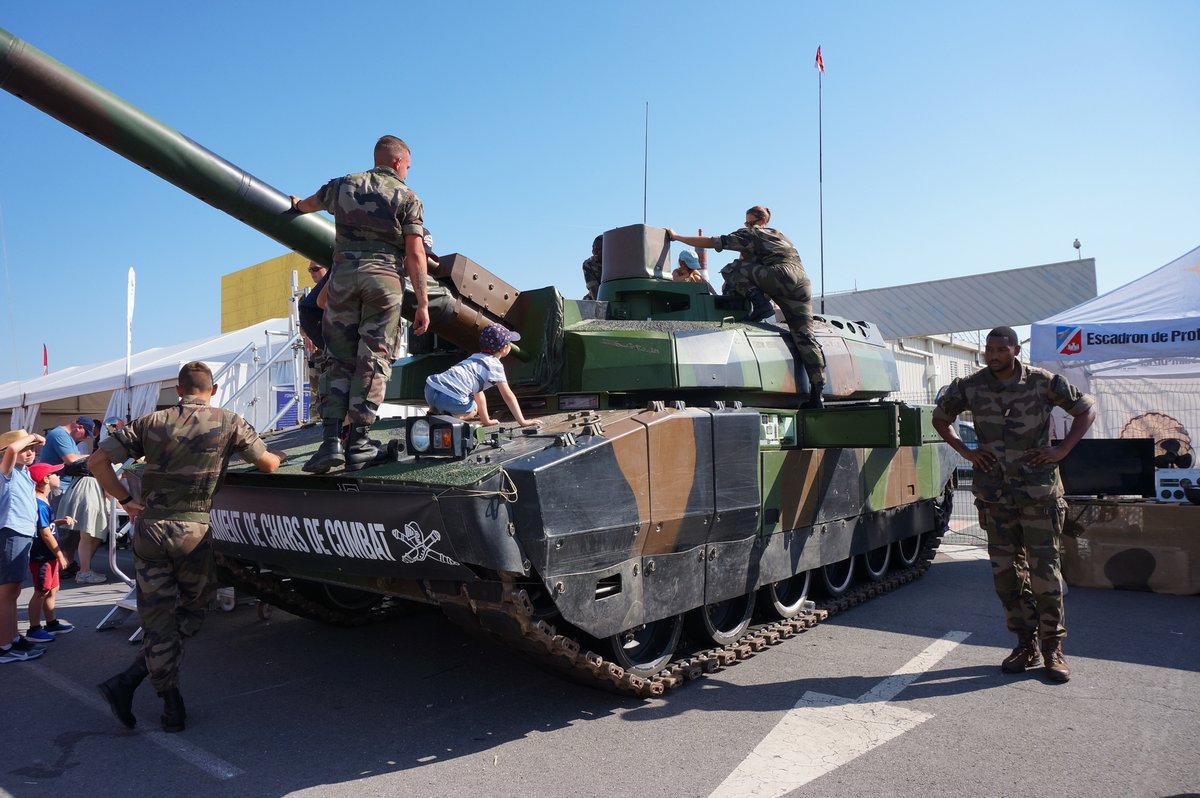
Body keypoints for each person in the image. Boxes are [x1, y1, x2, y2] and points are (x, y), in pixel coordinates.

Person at [92, 361, 287, 732]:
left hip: (148, 529)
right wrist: (280, 457)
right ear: (211, 390)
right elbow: (268, 465)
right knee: (194, 610)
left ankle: (164, 700)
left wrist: (125, 501)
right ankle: (133, 682)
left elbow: (97, 460)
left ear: (178, 390)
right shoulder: (228, 421)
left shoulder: (150, 422)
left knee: (156, 618)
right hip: (192, 530)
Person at [932, 326, 1096, 683]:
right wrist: (967, 452)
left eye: (1000, 349)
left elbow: (1086, 409)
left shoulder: (1043, 382)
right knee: (1006, 575)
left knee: (1045, 573)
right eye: (989, 349)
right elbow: (940, 418)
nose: (992, 355)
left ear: (1015, 350)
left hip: (1038, 493)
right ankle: (1025, 644)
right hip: (995, 496)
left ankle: (1053, 647)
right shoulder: (970, 386)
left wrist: (1061, 450)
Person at [290, 135, 430, 473]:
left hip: (342, 279)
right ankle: (360, 442)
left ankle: (330, 443)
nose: (408, 171)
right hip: (383, 280)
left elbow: (305, 205)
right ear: (398, 162)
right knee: (374, 359)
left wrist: (296, 205)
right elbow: (414, 253)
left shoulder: (343, 184)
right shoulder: (407, 196)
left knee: (337, 360)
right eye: (408, 166)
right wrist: (423, 303)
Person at [667, 206, 827, 409]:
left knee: (731, 269)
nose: (746, 226)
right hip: (801, 284)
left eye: (749, 222)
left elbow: (712, 241)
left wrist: (677, 236)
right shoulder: (780, 236)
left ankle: (760, 307)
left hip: (779, 276)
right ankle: (817, 394)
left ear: (759, 222)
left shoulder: (752, 234)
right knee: (805, 337)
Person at [424, 324, 541, 428]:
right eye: (509, 343)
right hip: (452, 399)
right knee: (474, 409)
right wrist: (523, 421)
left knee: (454, 391)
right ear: (504, 348)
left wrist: (486, 421)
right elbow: (508, 396)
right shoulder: (495, 366)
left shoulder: (475, 358)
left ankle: (432, 413)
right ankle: (450, 417)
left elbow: (478, 393)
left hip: (431, 388)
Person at [0, 428, 48, 663]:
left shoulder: (22, 472)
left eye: (32, 450)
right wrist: (34, 437)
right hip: (11, 531)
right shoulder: (5, 470)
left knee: (13, 591)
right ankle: (3, 645)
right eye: (25, 449)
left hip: (22, 533)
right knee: (6, 592)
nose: (30, 452)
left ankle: (12, 637)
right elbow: (11, 449)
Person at [26, 462, 76, 643]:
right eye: (55, 474)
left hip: (47, 555)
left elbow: (48, 525)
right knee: (41, 590)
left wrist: (60, 521)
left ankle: (51, 622)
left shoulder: (43, 500)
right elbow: (45, 532)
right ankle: (34, 628)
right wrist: (60, 554)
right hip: (42, 555)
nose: (59, 476)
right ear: (46, 479)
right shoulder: (39, 503)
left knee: (52, 588)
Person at [297, 260, 330, 424]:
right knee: (316, 390)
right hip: (317, 353)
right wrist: (307, 335)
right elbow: (302, 324)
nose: (312, 273)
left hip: (333, 347)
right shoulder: (307, 297)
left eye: (316, 269)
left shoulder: (336, 287)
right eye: (310, 270)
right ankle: (316, 422)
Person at [582, 234, 603, 300]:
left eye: (599, 249)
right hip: (600, 295)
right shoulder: (589, 264)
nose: (594, 252)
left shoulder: (616, 263)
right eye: (593, 248)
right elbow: (594, 290)